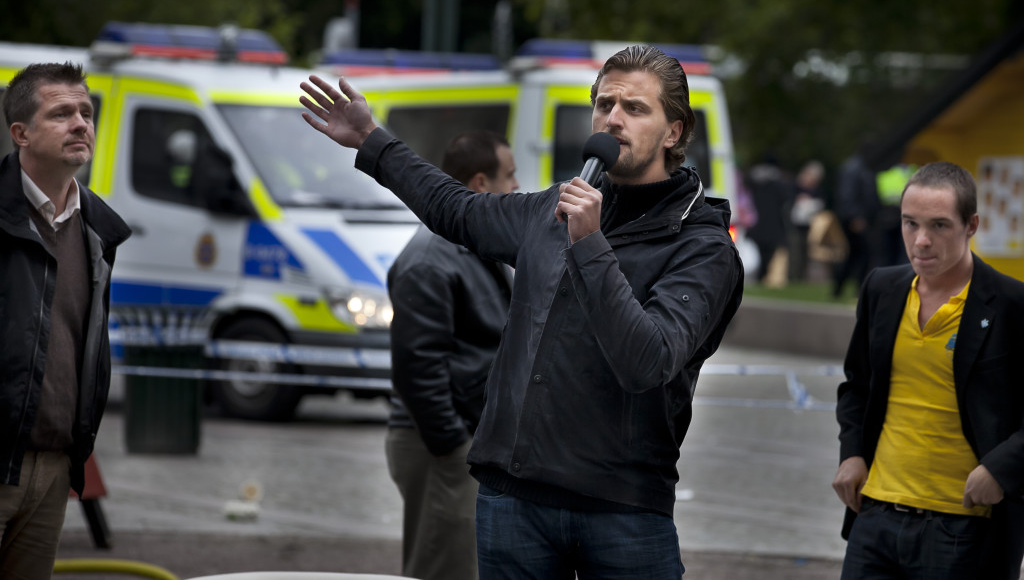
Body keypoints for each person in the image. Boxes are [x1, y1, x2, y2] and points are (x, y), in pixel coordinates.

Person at [300, 44, 744, 578]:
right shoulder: (554, 208)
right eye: (604, 105)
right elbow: (458, 210)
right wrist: (373, 142)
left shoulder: (702, 246)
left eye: (635, 108)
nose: (614, 119)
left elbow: (646, 361)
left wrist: (591, 245)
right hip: (515, 501)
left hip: (622, 508)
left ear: (674, 132)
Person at [832, 161, 1024, 579]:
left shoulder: (1011, 304)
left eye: (939, 226)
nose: (921, 241)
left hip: (965, 525)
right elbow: (857, 388)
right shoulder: (881, 288)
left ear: (971, 225)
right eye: (910, 224)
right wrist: (852, 454)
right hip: (876, 515)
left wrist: (1001, 469)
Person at [0, 62, 131, 578]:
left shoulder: (97, 230)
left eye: (85, 112)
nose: (81, 123)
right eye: (61, 113)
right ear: (21, 133)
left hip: (54, 468)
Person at [385, 130, 518, 580]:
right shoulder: (429, 260)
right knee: (444, 565)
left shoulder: (480, 246)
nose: (517, 187)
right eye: (511, 175)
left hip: (462, 441)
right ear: (481, 183)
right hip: (440, 444)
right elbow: (416, 367)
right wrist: (451, 445)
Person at [832, 145, 881, 298]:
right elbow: (847, 195)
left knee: (856, 255)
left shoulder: (859, 167)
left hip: (860, 218)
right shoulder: (854, 169)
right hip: (856, 219)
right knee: (860, 254)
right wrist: (855, 217)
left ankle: (845, 288)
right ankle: (852, 288)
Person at [745, 152, 793, 286]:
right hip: (773, 223)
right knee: (768, 254)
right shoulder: (780, 182)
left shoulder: (751, 178)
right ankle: (762, 276)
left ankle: (755, 276)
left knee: (755, 252)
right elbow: (786, 201)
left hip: (754, 222)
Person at [788, 159, 826, 282]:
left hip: (811, 226)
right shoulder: (794, 187)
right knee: (795, 252)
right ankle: (793, 278)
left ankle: (802, 278)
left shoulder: (817, 190)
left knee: (806, 253)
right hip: (795, 225)